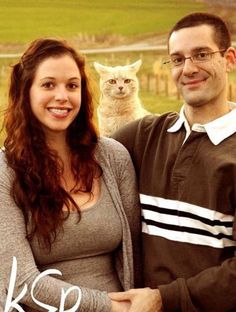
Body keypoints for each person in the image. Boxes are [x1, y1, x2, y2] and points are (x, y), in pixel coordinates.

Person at [0, 38, 142, 311]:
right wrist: (110, 307)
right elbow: (20, 282)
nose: (62, 96)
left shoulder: (113, 158)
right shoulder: (6, 172)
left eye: (72, 86)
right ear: (25, 91)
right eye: (48, 84)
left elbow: (135, 256)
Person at [110, 12, 236, 312]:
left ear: (229, 59)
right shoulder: (143, 136)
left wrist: (163, 299)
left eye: (201, 55)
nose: (188, 68)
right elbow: (70, 153)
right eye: (177, 59)